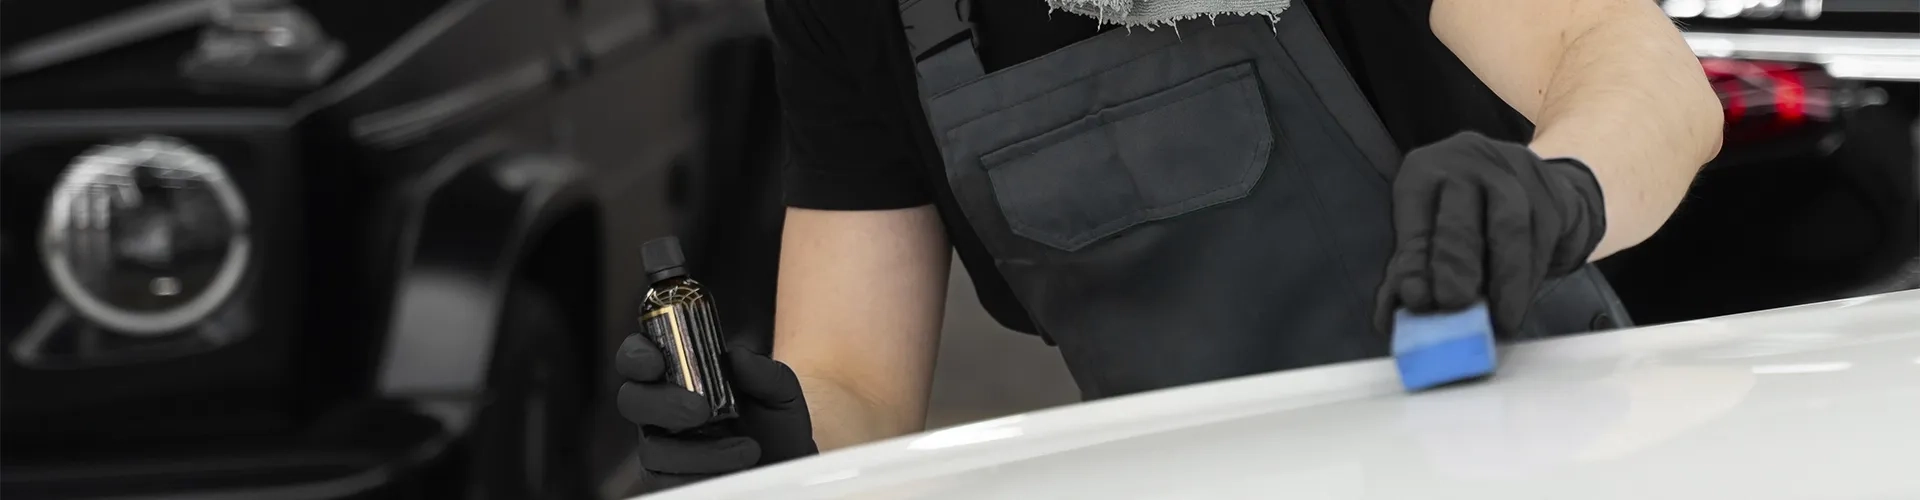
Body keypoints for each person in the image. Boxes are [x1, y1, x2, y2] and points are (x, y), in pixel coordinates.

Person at [617, 0, 1722, 489]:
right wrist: (781, 434)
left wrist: (1558, 189)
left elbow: (1628, 57)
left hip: (1547, 467)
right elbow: (855, 376)